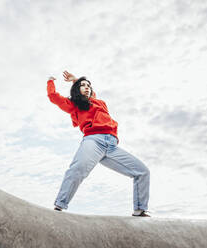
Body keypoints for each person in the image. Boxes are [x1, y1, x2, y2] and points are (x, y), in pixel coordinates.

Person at [47, 71, 150, 217]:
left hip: (112, 146)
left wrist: (77, 80)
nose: (87, 87)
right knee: (79, 169)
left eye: (89, 85)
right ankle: (59, 206)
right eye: (83, 86)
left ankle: (140, 210)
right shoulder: (74, 105)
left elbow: (91, 93)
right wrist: (50, 81)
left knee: (142, 172)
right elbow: (54, 97)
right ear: (77, 90)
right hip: (93, 141)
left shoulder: (99, 102)